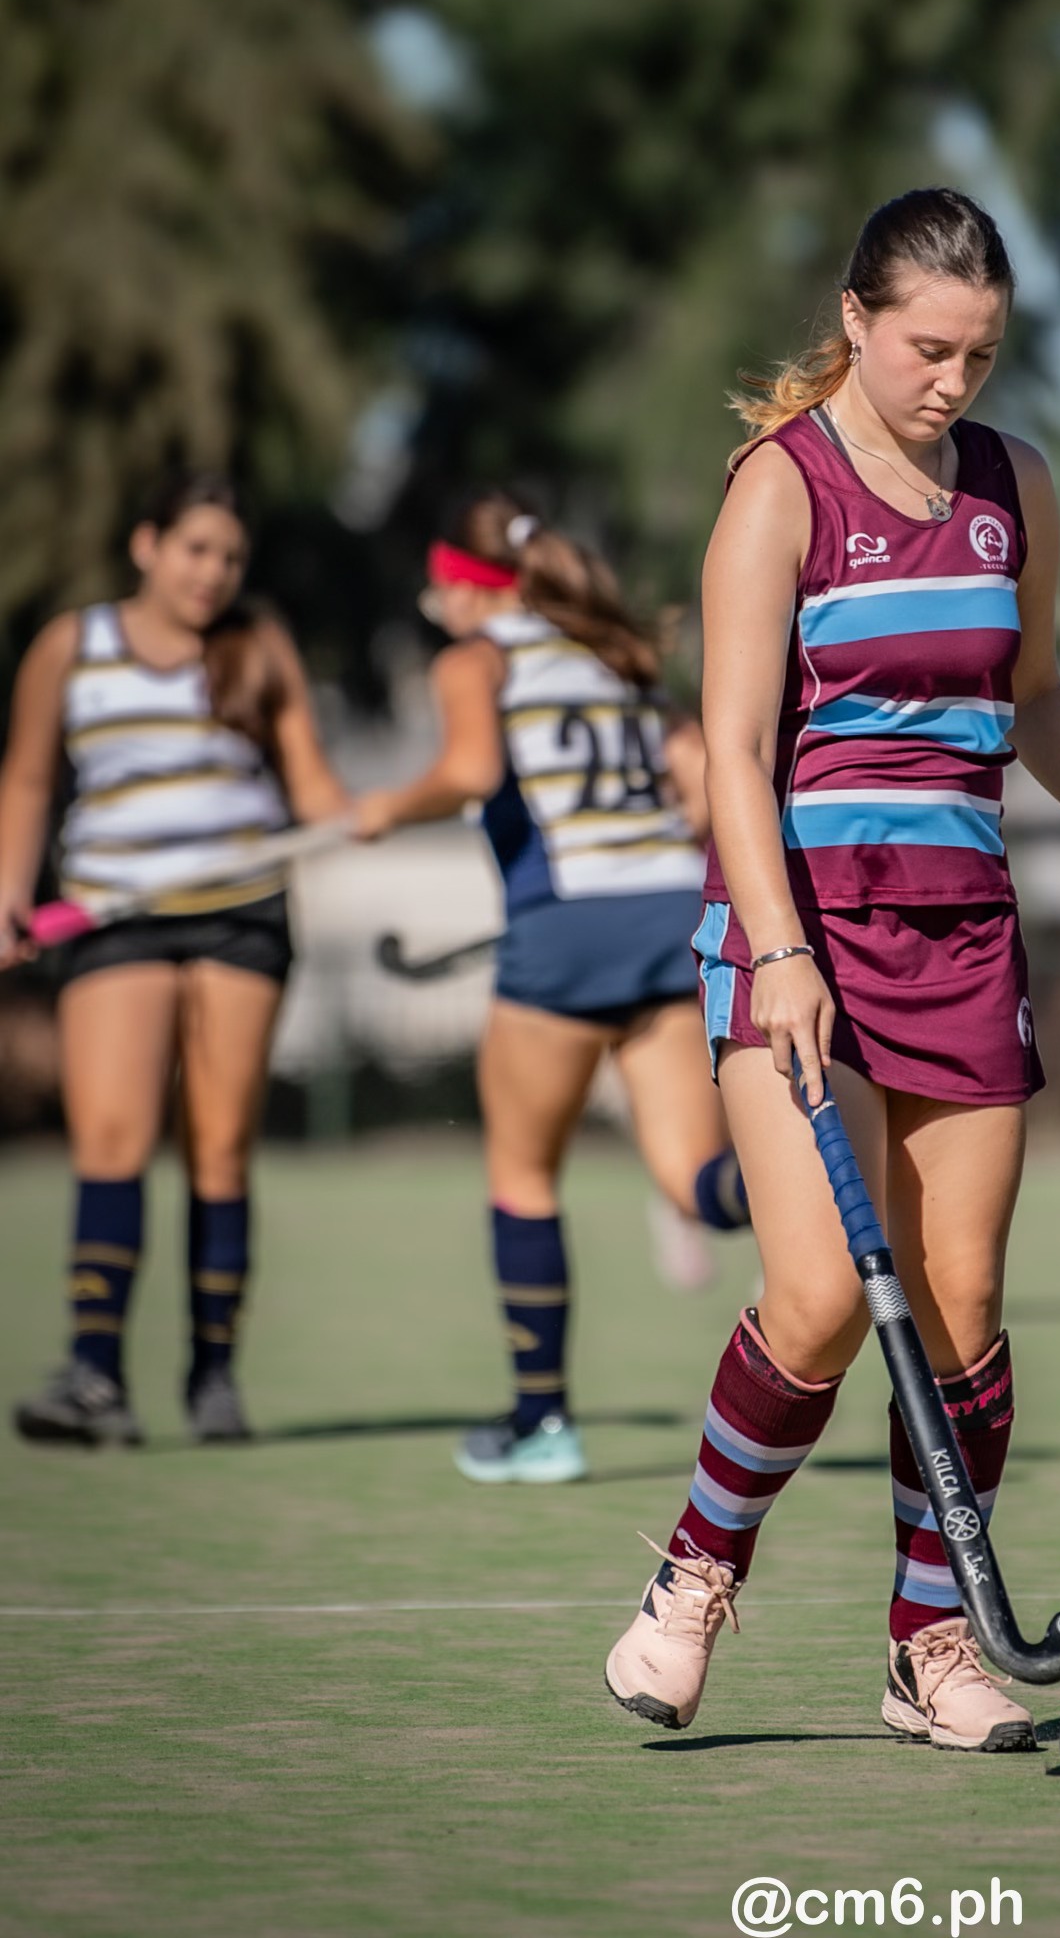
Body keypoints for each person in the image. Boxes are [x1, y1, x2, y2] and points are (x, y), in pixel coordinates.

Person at [602, 188, 1060, 1752]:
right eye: (928, 349)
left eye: (981, 355)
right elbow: (736, 756)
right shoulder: (780, 488)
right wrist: (785, 950)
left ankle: (928, 1649)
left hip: (962, 934)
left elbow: (1031, 697)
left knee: (962, 1311)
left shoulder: (1014, 486)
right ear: (858, 320)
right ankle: (694, 1577)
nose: (953, 383)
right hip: (799, 927)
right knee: (815, 1300)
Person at [352, 494, 751, 1485]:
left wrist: (387, 808)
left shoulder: (474, 659)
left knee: (524, 1177)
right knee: (693, 1182)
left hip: (563, 929)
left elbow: (471, 768)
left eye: (438, 582)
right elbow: (694, 783)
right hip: (670, 917)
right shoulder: (610, 656)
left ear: (466, 586)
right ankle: (802, 1192)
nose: (428, 598)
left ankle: (542, 1424)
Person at [1, 471, 349, 1446]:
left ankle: (213, 1374)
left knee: (219, 1144)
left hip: (242, 912)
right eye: (196, 549)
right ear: (146, 544)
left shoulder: (256, 642)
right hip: (113, 915)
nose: (213, 572)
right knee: (110, 1137)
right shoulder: (73, 645)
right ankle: (95, 1376)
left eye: (230, 556)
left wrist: (350, 815)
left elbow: (309, 776)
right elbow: (29, 776)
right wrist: (9, 890)